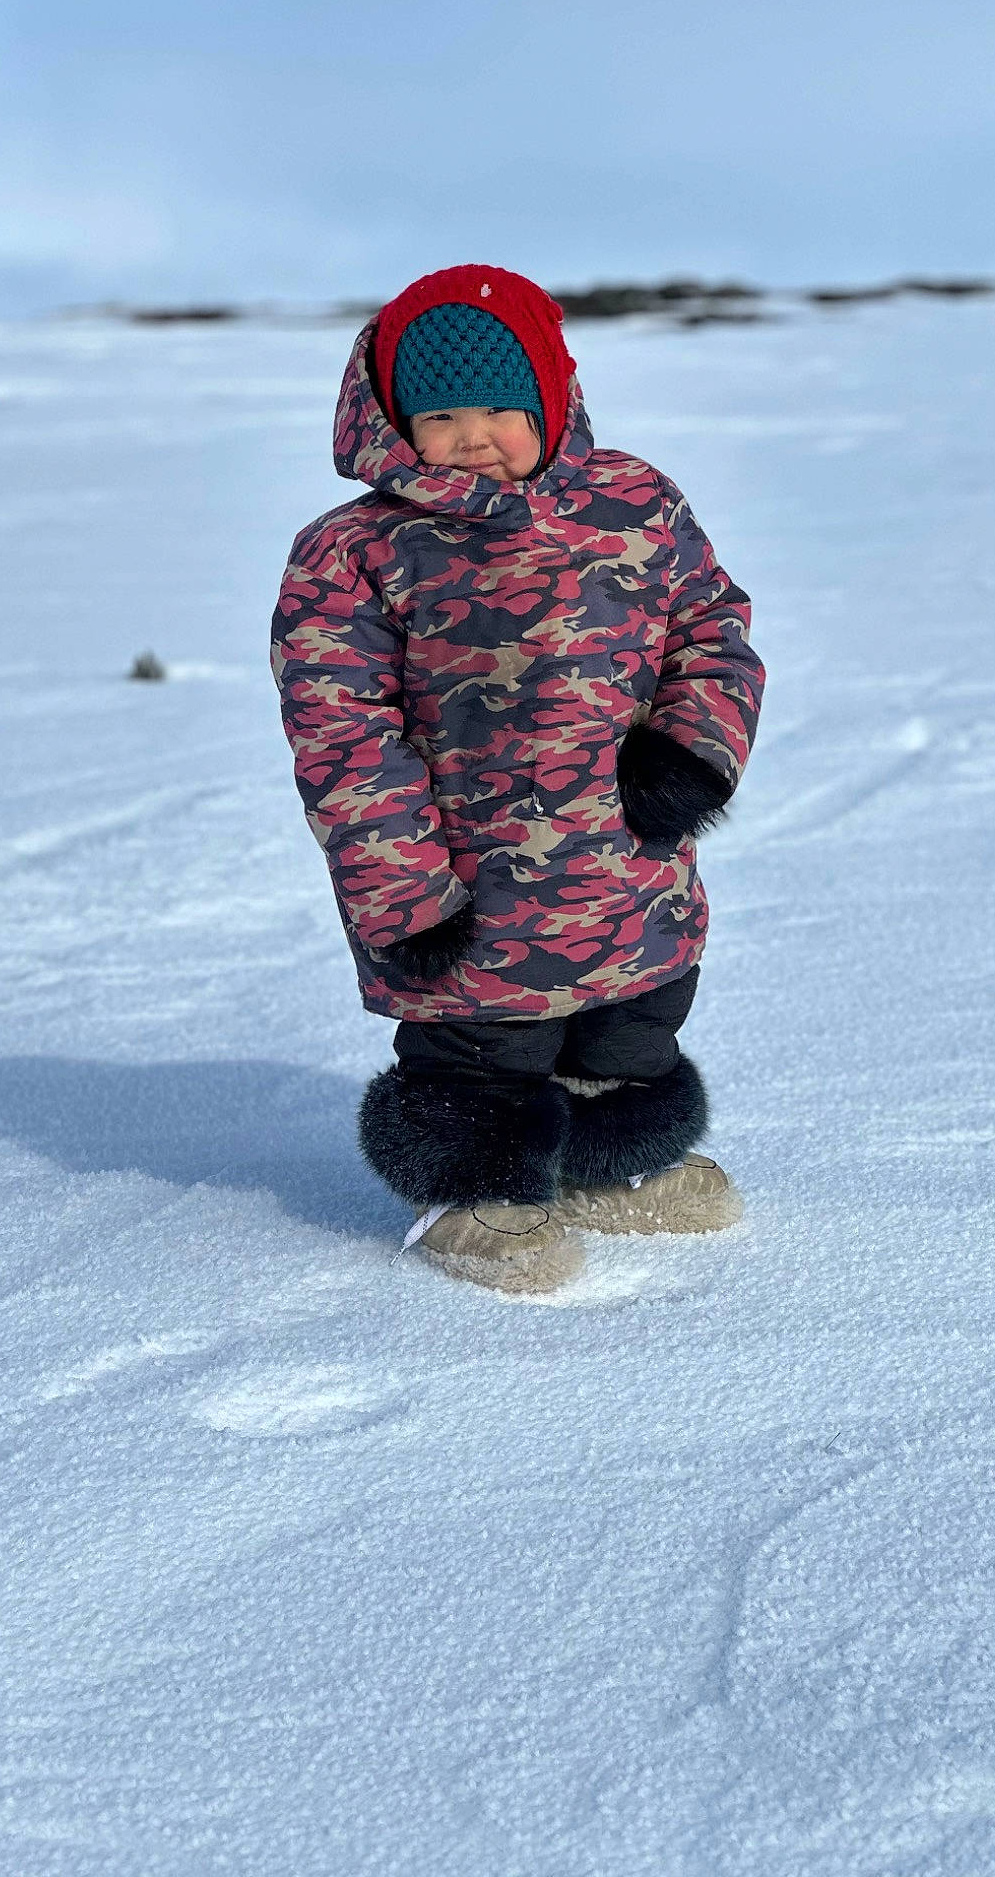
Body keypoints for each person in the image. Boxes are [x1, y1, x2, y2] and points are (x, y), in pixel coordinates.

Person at [271, 264, 764, 1292]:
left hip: (629, 865)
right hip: (470, 883)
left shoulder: (635, 501)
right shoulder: (355, 553)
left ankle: (608, 1166)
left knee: (637, 1016)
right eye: (443, 412)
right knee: (483, 1043)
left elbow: (712, 630)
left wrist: (691, 751)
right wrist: (403, 889)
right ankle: (475, 1193)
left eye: (502, 406)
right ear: (396, 420)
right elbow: (342, 731)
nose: (476, 434)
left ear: (549, 400)